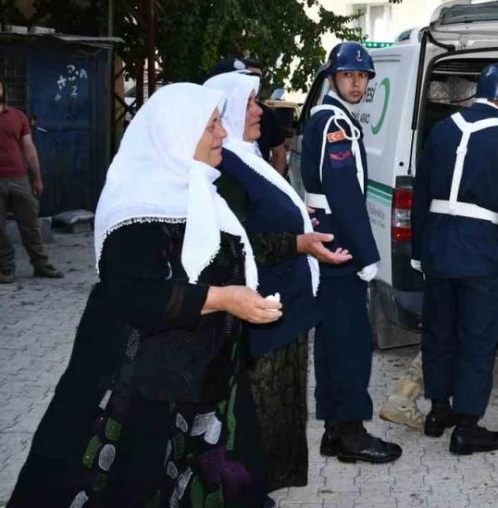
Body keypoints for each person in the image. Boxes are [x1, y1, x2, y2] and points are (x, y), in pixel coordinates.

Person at [7, 83, 273, 506]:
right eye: (213, 125)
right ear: (177, 134)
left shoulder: (200, 194)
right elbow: (140, 297)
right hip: (142, 392)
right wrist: (224, 299)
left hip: (200, 381)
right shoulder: (138, 209)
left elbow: (223, 257)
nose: (223, 133)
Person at [205, 71, 350, 493]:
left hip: (285, 308)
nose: (259, 111)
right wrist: (299, 242)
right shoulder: (226, 168)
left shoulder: (246, 155)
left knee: (284, 411)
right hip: (263, 312)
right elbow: (238, 241)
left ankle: (269, 487)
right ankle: (252, 491)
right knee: (262, 414)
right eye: (250, 102)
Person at [411, 62, 498, 455]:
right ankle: (467, 426)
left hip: (438, 246)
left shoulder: (443, 129)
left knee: (439, 332)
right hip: (482, 251)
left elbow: (421, 194)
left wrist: (418, 251)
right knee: (478, 338)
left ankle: (437, 411)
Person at [300, 41, 400, 465]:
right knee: (352, 344)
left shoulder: (327, 118)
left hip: (327, 242)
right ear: (332, 78)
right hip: (340, 247)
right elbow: (345, 197)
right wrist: (367, 254)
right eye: (348, 75)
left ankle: (334, 430)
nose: (357, 82)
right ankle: (353, 434)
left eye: (362, 76)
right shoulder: (334, 125)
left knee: (331, 341)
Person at [0, 80, 63, 283]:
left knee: (30, 224)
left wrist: (37, 178)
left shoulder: (17, 117)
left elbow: (29, 148)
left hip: (18, 178)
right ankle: (6, 266)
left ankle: (40, 264)